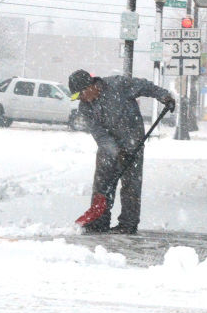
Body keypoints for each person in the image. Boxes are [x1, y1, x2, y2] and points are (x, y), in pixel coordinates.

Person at [68, 69, 176, 234]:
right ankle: (99, 221)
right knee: (102, 184)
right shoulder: (85, 107)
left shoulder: (118, 85)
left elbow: (145, 86)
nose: (80, 99)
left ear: (90, 86)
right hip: (108, 147)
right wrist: (116, 152)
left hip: (132, 142)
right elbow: (100, 134)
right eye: (76, 97)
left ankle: (128, 223)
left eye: (79, 94)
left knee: (131, 184)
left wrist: (164, 96)